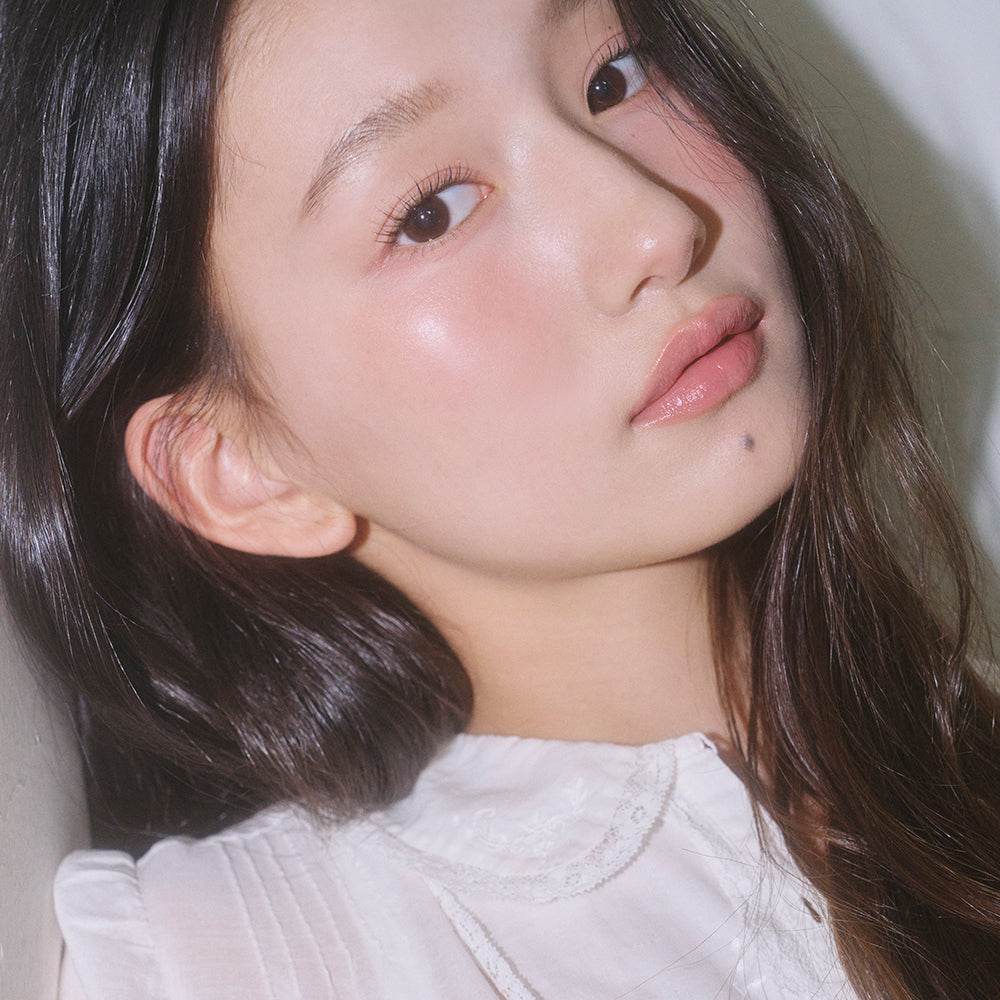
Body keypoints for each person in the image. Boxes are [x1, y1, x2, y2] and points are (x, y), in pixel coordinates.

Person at [1, 0, 998, 997]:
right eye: (431, 212)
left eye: (614, 77)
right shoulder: (236, 962)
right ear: (238, 470)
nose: (656, 225)